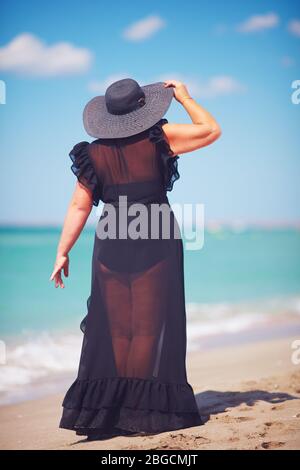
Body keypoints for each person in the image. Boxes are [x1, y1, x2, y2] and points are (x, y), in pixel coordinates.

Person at [50, 78, 221, 440]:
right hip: (154, 234)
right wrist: (186, 97)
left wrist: (62, 251)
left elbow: (79, 205)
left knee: (116, 326)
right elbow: (210, 130)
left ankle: (109, 412)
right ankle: (138, 412)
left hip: (110, 239)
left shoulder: (92, 153)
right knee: (148, 325)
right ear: (144, 109)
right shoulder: (161, 137)